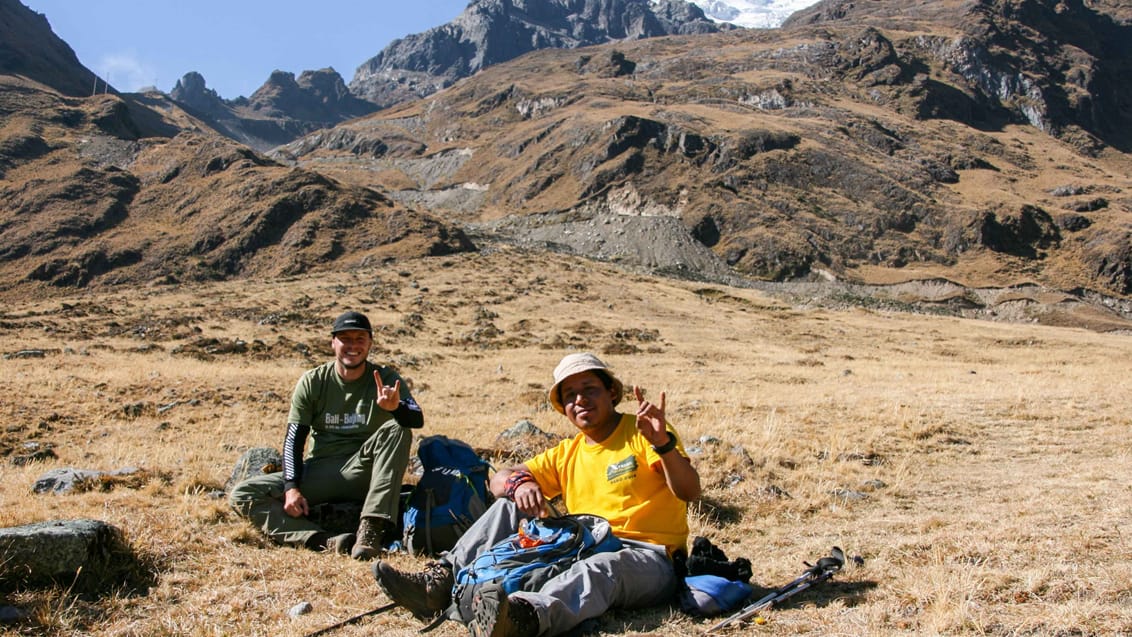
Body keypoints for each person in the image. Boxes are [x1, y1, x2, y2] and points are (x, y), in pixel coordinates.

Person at [373, 352, 701, 636]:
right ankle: (441, 581)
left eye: (590, 389)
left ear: (611, 392)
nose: (580, 400)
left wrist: (664, 445)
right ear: (563, 408)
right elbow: (498, 480)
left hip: (648, 556)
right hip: (582, 543)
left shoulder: (644, 432)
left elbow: (689, 491)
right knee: (508, 505)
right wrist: (521, 485)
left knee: (600, 569)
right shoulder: (568, 452)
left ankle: (524, 617)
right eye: (570, 395)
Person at [230, 310, 423, 560]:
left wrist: (396, 408)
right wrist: (291, 488)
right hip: (321, 471)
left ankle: (371, 530)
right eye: (345, 339)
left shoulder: (385, 378)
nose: (352, 346)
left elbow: (416, 419)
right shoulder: (313, 382)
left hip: (365, 469)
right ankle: (324, 541)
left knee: (398, 427)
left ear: (370, 343)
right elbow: (294, 440)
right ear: (333, 342)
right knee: (243, 494)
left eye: (360, 339)